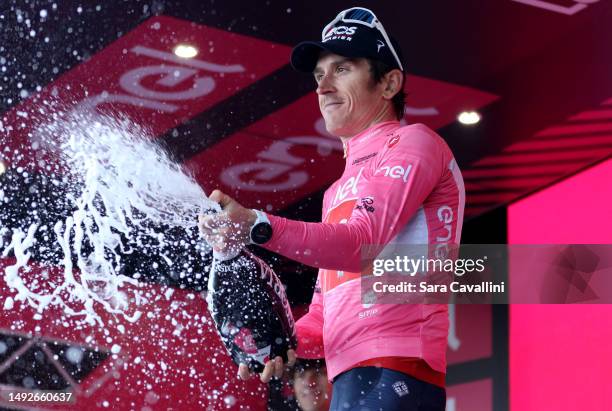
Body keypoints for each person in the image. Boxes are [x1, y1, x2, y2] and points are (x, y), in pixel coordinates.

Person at [199, 6, 465, 410]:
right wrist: (282, 344)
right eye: (319, 75)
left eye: (342, 69)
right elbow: (324, 314)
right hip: (348, 374)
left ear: (390, 82)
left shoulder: (415, 142)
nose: (323, 86)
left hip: (400, 367)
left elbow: (360, 244)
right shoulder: (337, 191)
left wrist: (257, 224)